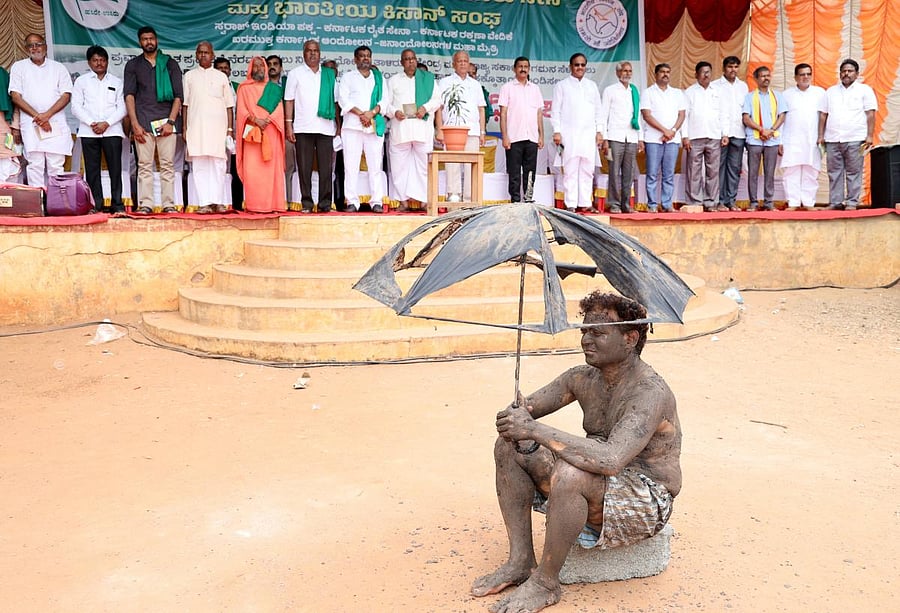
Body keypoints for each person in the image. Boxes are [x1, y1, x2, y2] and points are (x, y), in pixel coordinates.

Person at [471, 291, 681, 613]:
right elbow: (526, 413)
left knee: (572, 471)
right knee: (510, 447)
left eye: (597, 333)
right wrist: (516, 414)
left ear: (630, 338)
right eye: (584, 331)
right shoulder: (581, 378)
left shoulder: (649, 392)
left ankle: (546, 583)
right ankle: (521, 561)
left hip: (644, 499)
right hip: (597, 480)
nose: (586, 340)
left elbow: (610, 460)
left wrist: (533, 429)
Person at [123, 26, 184, 214]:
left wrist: (171, 123)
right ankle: (146, 204)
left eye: (151, 38)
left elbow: (178, 96)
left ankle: (169, 204)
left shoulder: (170, 64)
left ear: (156, 40)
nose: (148, 42)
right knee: (144, 166)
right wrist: (135, 124)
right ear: (139, 42)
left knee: (167, 165)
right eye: (144, 39)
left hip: (167, 123)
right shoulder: (133, 65)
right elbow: (129, 96)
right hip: (143, 123)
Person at [8, 33, 73, 189]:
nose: (35, 48)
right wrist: (39, 117)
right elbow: (15, 96)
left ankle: (57, 203)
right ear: (26, 48)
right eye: (31, 45)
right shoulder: (19, 67)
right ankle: (38, 204)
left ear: (46, 46)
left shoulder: (58, 68)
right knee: (35, 164)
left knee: (55, 164)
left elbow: (66, 96)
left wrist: (46, 116)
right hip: (31, 124)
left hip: (54, 123)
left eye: (38, 44)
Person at [284, 40, 338, 213]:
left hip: (326, 128)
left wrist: (339, 124)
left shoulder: (329, 75)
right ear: (303, 53)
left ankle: (325, 204)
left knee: (326, 169)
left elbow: (336, 101)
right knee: (304, 168)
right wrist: (288, 125)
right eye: (309, 50)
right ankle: (306, 203)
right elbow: (289, 100)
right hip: (302, 128)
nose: (313, 53)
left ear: (320, 53)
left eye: (316, 51)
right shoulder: (295, 74)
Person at [71, 45, 126, 214]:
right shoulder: (81, 81)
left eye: (102, 60)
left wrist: (106, 123)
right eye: (95, 60)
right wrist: (92, 123)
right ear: (89, 63)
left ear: (107, 62)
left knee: (115, 169)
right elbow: (75, 107)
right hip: (89, 131)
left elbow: (123, 108)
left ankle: (117, 205)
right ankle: (96, 205)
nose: (99, 63)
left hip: (112, 131)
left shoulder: (117, 82)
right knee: (92, 170)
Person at [818, 58, 877, 211]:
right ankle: (835, 202)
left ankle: (851, 203)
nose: (846, 73)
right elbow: (823, 115)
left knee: (853, 172)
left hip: (855, 139)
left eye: (850, 71)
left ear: (857, 74)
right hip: (832, 139)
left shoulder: (865, 90)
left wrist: (870, 136)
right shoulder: (830, 92)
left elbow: (870, 114)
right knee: (834, 172)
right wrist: (820, 136)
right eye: (843, 71)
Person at [385, 48, 441, 211]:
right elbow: (386, 103)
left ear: (416, 60)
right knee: (398, 166)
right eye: (407, 59)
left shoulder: (428, 79)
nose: (410, 62)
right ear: (402, 62)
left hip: (421, 128)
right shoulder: (394, 80)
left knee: (423, 166)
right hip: (401, 128)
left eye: (413, 59)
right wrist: (394, 112)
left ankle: (424, 201)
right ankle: (403, 202)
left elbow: (437, 100)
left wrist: (425, 107)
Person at [183, 41, 234, 214]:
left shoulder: (221, 77)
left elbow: (229, 106)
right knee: (199, 166)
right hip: (196, 129)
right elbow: (185, 104)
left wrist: (229, 130)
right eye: (200, 52)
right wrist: (184, 128)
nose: (203, 55)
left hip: (218, 129)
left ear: (212, 56)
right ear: (196, 55)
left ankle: (218, 202)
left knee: (218, 166)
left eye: (206, 52)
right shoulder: (189, 76)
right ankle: (204, 203)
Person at [551, 53, 603, 212]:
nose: (580, 67)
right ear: (570, 67)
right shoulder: (562, 86)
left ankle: (586, 203)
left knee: (588, 170)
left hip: (588, 135)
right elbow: (556, 111)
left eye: (582, 65)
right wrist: (557, 131)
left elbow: (598, 111)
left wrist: (600, 131)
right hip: (569, 135)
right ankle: (571, 203)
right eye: (576, 65)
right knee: (570, 170)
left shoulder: (592, 86)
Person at [339, 45, 387, 213]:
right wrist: (361, 114)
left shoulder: (379, 79)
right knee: (351, 166)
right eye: (362, 56)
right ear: (355, 59)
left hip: (373, 127)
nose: (365, 59)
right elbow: (343, 99)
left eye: (368, 56)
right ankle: (352, 201)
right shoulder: (347, 77)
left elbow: (385, 100)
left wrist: (371, 113)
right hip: (352, 127)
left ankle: (377, 201)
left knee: (375, 165)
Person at [235, 56, 286, 213]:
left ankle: (273, 204)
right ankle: (254, 205)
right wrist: (256, 119)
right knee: (253, 170)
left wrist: (267, 120)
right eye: (255, 66)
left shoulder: (273, 88)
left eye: (261, 66)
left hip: (271, 131)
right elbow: (242, 110)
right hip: (252, 132)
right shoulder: (243, 88)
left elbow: (279, 110)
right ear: (250, 69)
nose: (259, 69)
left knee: (271, 169)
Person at [436, 50, 486, 203]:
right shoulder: (445, 82)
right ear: (453, 64)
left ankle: (470, 200)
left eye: (465, 61)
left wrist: (482, 131)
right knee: (452, 164)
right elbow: (439, 107)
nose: (463, 63)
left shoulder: (476, 84)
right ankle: (453, 197)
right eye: (459, 61)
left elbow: (481, 108)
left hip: (472, 131)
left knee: (472, 166)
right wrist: (439, 129)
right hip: (452, 131)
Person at [681, 61, 728, 212]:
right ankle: (694, 201)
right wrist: (685, 136)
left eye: (708, 72)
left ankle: (710, 202)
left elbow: (723, 114)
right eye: (703, 72)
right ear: (696, 74)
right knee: (694, 171)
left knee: (713, 171)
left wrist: (725, 133)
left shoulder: (718, 91)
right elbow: (684, 116)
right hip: (695, 136)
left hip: (714, 135)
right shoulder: (689, 92)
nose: (706, 75)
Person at [499, 56, 545, 203]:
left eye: (526, 66)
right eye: (520, 66)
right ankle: (515, 200)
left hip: (531, 137)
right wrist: (505, 136)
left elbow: (539, 114)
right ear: (514, 69)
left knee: (530, 171)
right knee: (514, 172)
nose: (523, 69)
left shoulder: (535, 89)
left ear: (529, 69)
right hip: (514, 137)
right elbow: (503, 113)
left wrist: (541, 136)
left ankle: (528, 198)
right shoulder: (507, 88)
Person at [641, 64, 685, 213]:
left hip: (672, 139)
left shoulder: (677, 93)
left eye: (668, 72)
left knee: (668, 174)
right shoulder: (647, 93)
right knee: (652, 173)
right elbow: (647, 115)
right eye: (662, 72)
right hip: (654, 139)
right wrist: (664, 130)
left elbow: (682, 115)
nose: (665, 74)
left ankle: (667, 204)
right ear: (655, 74)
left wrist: (672, 131)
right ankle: (652, 204)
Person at [599, 61, 643, 213]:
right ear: (618, 73)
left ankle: (626, 204)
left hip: (631, 138)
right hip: (613, 138)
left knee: (628, 173)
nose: (627, 73)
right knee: (613, 171)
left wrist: (640, 138)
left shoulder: (634, 91)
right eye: (624, 71)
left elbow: (637, 116)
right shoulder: (610, 90)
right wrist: (604, 138)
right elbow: (603, 115)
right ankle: (614, 204)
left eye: (629, 71)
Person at [742, 66, 786, 211]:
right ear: (755, 79)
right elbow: (746, 118)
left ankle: (768, 202)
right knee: (753, 173)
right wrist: (761, 130)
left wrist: (771, 130)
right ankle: (753, 202)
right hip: (754, 139)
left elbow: (782, 116)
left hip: (772, 140)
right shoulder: (749, 97)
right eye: (762, 76)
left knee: (770, 173)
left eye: (768, 75)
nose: (766, 78)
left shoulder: (777, 96)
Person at [782, 64, 826, 209]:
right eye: (802, 74)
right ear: (795, 77)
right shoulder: (786, 94)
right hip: (791, 139)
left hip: (813, 139)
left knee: (811, 171)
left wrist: (822, 136)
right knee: (791, 172)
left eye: (808, 74)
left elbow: (824, 116)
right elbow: (780, 118)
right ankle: (793, 203)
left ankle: (808, 203)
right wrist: (780, 141)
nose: (805, 77)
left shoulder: (820, 93)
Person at [713, 56, 749, 210]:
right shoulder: (715, 86)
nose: (733, 70)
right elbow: (716, 111)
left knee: (734, 169)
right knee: (719, 168)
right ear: (723, 68)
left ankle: (731, 200)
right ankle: (720, 201)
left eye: (735, 67)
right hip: (721, 134)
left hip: (739, 133)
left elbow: (746, 111)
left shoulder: (743, 87)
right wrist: (723, 133)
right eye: (730, 67)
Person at [214, 56, 243, 211]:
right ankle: (221, 201)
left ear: (230, 70)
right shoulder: (210, 87)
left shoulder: (239, 88)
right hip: (217, 133)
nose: (223, 71)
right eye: (219, 68)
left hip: (237, 134)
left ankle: (236, 203)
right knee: (220, 168)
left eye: (225, 68)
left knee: (236, 170)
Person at [266, 54, 296, 205]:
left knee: (288, 168)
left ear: (281, 67)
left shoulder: (287, 85)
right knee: (268, 168)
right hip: (267, 134)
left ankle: (287, 200)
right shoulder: (261, 87)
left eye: (275, 64)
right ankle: (269, 201)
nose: (272, 66)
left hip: (285, 133)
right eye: (269, 64)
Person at [322, 59, 347, 211]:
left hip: (336, 131)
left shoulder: (339, 86)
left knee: (335, 169)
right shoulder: (319, 84)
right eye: (328, 69)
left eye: (333, 69)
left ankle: (334, 201)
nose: (331, 71)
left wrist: (339, 127)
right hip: (318, 131)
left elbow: (338, 109)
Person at [0, 66, 21, 183]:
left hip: (4, 127)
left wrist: (16, 127)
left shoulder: (2, 74)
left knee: (7, 165)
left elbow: (15, 103)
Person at [469, 62, 493, 127]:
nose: (471, 75)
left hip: (477, 128)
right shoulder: (457, 88)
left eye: (473, 73)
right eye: (468, 73)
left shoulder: (481, 90)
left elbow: (485, 112)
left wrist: (482, 131)